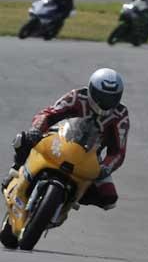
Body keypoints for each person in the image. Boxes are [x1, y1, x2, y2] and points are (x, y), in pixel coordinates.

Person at [0, 69, 129, 212]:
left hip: (91, 156)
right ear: (91, 89)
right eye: (101, 97)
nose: (105, 103)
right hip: (60, 138)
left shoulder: (120, 115)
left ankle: (70, 199)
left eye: (111, 99)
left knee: (109, 198)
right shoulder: (77, 97)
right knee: (23, 139)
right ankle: (15, 170)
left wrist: (105, 167)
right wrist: (37, 130)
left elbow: (118, 151)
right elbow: (48, 114)